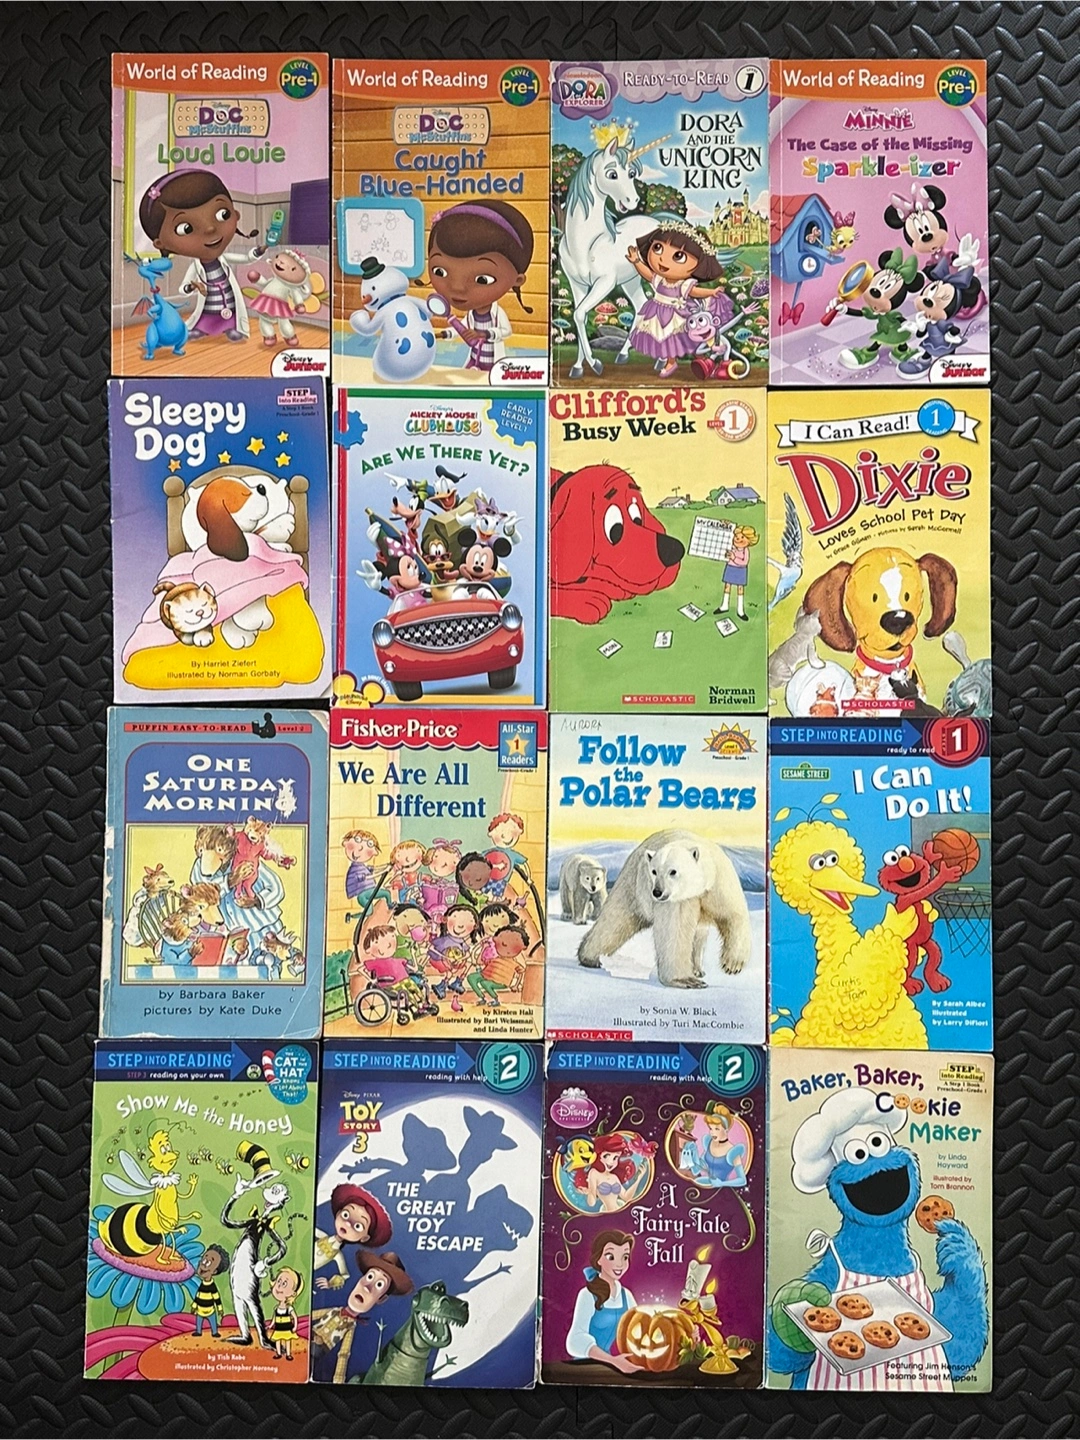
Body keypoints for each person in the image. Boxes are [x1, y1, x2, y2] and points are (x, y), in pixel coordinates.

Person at [138, 169, 264, 341]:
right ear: (161, 243)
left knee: (229, 311)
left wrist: (258, 251)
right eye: (186, 228)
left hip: (228, 303)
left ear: (236, 215)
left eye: (223, 214)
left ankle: (231, 327)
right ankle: (203, 328)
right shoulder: (196, 268)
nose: (210, 229)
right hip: (209, 304)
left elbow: (246, 259)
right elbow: (184, 288)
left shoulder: (224, 260)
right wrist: (192, 287)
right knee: (206, 314)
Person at [427, 200, 535, 374]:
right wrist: (442, 335)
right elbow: (460, 330)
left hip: (495, 365)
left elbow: (506, 331)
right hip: (474, 362)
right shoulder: (471, 315)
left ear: (517, 279)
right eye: (440, 271)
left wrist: (484, 335)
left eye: (483, 279)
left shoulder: (497, 314)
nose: (458, 288)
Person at [626, 223, 724, 379]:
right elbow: (648, 275)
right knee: (662, 339)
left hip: (677, 315)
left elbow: (694, 291)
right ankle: (669, 361)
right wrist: (637, 261)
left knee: (681, 338)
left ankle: (697, 359)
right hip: (656, 312)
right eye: (657, 248)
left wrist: (711, 292)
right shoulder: (660, 279)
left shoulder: (682, 284)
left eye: (678, 256)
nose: (663, 259)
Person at [310, 1248, 413, 1384]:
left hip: (315, 1350)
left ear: (381, 1299)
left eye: (379, 1284)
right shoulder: (335, 1310)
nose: (366, 1287)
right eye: (369, 1277)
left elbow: (343, 1354)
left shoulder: (350, 1327)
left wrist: (338, 1381)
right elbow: (310, 1316)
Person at [565, 1231, 643, 1374]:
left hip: (609, 1366)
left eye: (625, 1257)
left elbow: (640, 1329)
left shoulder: (626, 1296)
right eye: (611, 1257)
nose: (619, 1264)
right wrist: (613, 1361)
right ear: (598, 1259)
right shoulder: (587, 1295)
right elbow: (574, 1341)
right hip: (584, 1366)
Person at [190, 1244, 228, 1338]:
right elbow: (198, 1296)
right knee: (199, 1321)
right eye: (205, 1257)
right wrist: (194, 1306)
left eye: (211, 1261)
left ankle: (214, 1332)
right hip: (200, 1310)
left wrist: (220, 1309)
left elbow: (216, 1298)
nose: (205, 1262)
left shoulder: (212, 1286)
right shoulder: (202, 1285)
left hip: (210, 1310)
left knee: (213, 1321)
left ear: (214, 1271)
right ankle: (198, 1331)